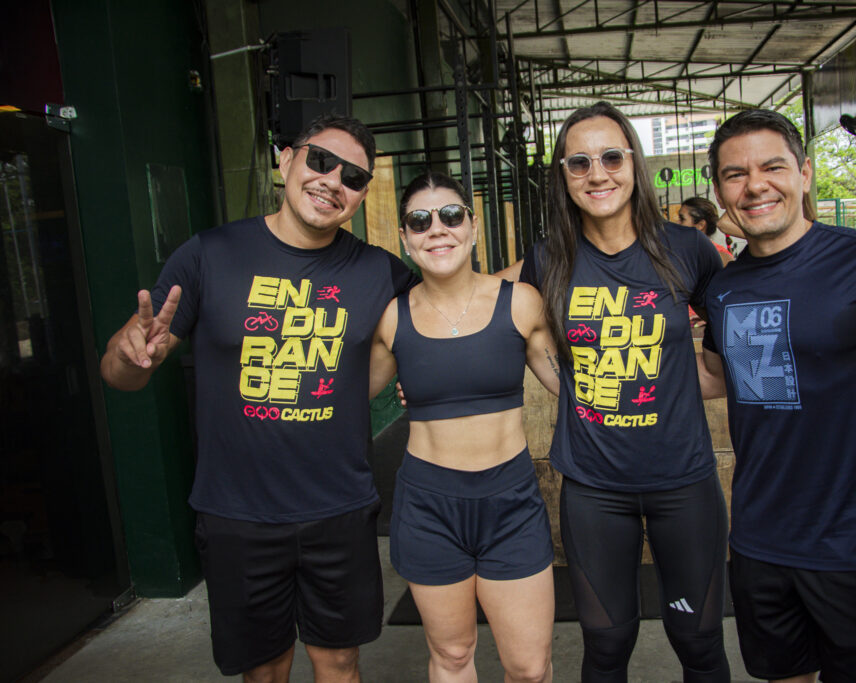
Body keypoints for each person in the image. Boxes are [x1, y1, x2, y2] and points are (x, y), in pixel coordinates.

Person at [100, 112, 417, 682]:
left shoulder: (380, 272)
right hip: (237, 512)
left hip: (338, 507)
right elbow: (124, 373)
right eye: (320, 160)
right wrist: (127, 358)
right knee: (264, 670)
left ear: (362, 194)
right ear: (285, 159)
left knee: (340, 662)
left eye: (352, 177)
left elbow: (449, 316)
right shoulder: (209, 255)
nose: (332, 181)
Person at [699, 109, 856, 683]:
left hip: (852, 548)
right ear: (719, 190)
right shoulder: (725, 286)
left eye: (773, 166)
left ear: (805, 174)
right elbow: (715, 376)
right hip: (759, 544)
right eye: (735, 174)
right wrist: (600, 362)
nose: (755, 184)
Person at [515, 101, 730, 682]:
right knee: (607, 646)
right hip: (593, 488)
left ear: (633, 163)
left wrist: (681, 386)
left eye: (612, 156)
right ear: (563, 174)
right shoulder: (545, 260)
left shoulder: (687, 249)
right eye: (579, 162)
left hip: (683, 481)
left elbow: (733, 346)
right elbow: (483, 312)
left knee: (700, 641)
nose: (597, 173)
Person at [368, 172, 560, 682]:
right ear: (405, 238)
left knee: (529, 666)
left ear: (473, 227)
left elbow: (575, 387)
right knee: (452, 656)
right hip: (429, 508)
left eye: (451, 216)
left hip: (511, 504)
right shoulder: (392, 319)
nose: (438, 229)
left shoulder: (520, 302)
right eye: (420, 220)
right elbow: (344, 396)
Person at [678, 197, 733, 266]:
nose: (677, 223)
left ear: (700, 225)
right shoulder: (680, 252)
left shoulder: (721, 257)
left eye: (682, 219)